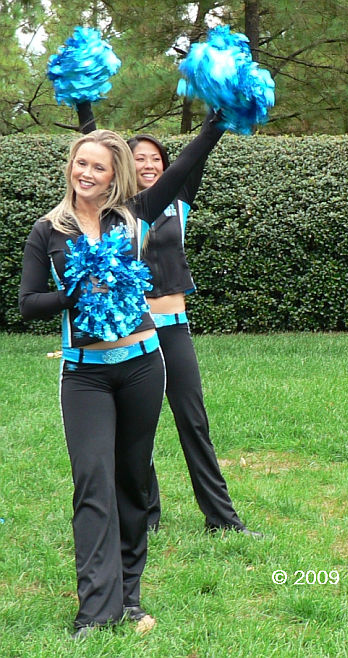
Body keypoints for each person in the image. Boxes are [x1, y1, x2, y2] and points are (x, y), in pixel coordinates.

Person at [19, 116, 225, 638]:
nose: (85, 173)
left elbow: (180, 172)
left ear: (114, 177)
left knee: (132, 483)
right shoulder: (48, 230)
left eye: (98, 167)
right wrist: (77, 292)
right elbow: (28, 304)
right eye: (80, 163)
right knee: (93, 482)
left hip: (141, 367)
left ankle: (128, 596)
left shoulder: (133, 218)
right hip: (85, 376)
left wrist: (216, 124)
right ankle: (95, 610)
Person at [77, 101, 259, 537]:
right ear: (124, 165)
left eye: (155, 158)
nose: (148, 163)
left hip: (174, 327)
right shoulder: (115, 209)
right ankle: (146, 516)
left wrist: (216, 121)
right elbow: (95, 145)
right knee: (137, 427)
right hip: (135, 329)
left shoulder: (178, 201)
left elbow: (192, 160)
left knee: (192, 419)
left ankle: (222, 518)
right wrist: (84, 102)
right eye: (138, 157)